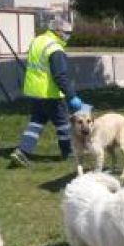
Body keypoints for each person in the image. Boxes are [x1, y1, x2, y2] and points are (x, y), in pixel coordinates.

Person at [10, 18, 89, 167]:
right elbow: (60, 76)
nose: (68, 36)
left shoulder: (38, 40)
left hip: (34, 91)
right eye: (67, 33)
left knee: (36, 123)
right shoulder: (55, 48)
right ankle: (69, 153)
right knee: (63, 124)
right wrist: (71, 96)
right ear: (58, 31)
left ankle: (22, 152)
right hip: (49, 93)